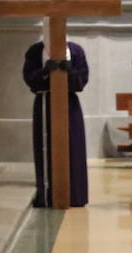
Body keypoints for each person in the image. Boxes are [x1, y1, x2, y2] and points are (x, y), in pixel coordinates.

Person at [23, 30, 90, 207]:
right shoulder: (35, 51)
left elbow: (82, 79)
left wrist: (70, 73)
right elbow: (29, 78)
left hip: (69, 105)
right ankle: (46, 193)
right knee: (45, 147)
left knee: (73, 147)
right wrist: (45, 71)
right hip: (44, 104)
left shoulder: (75, 51)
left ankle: (75, 195)